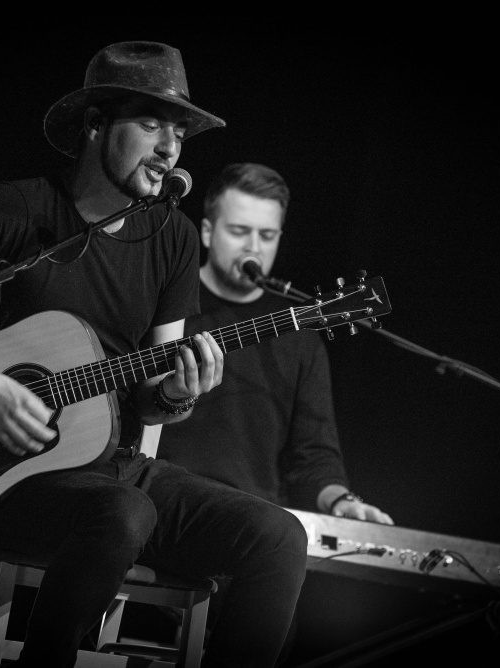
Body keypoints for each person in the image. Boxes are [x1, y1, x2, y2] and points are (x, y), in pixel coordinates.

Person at [0, 43, 308, 668]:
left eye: (179, 134)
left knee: (277, 536)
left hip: (113, 467)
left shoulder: (172, 237)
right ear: (94, 125)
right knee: (123, 513)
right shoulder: (16, 211)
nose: (169, 149)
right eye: (151, 124)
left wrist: (175, 395)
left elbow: (153, 393)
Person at [156, 162, 393, 660]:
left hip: (250, 529)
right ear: (207, 231)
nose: (254, 247)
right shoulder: (168, 304)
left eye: (267, 235)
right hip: (164, 505)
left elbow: (313, 456)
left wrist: (342, 502)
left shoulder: (300, 338)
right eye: (239, 231)